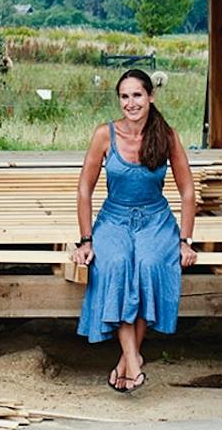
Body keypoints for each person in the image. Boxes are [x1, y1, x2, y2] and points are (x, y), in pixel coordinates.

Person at [72, 69, 197, 391]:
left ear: (150, 96)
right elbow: (84, 190)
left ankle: (127, 362)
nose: (131, 103)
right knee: (114, 266)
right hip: (114, 219)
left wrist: (185, 241)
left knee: (149, 266)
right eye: (125, 96)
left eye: (137, 95)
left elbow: (186, 191)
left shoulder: (167, 135)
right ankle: (133, 359)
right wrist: (86, 240)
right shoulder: (105, 134)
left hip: (155, 220)